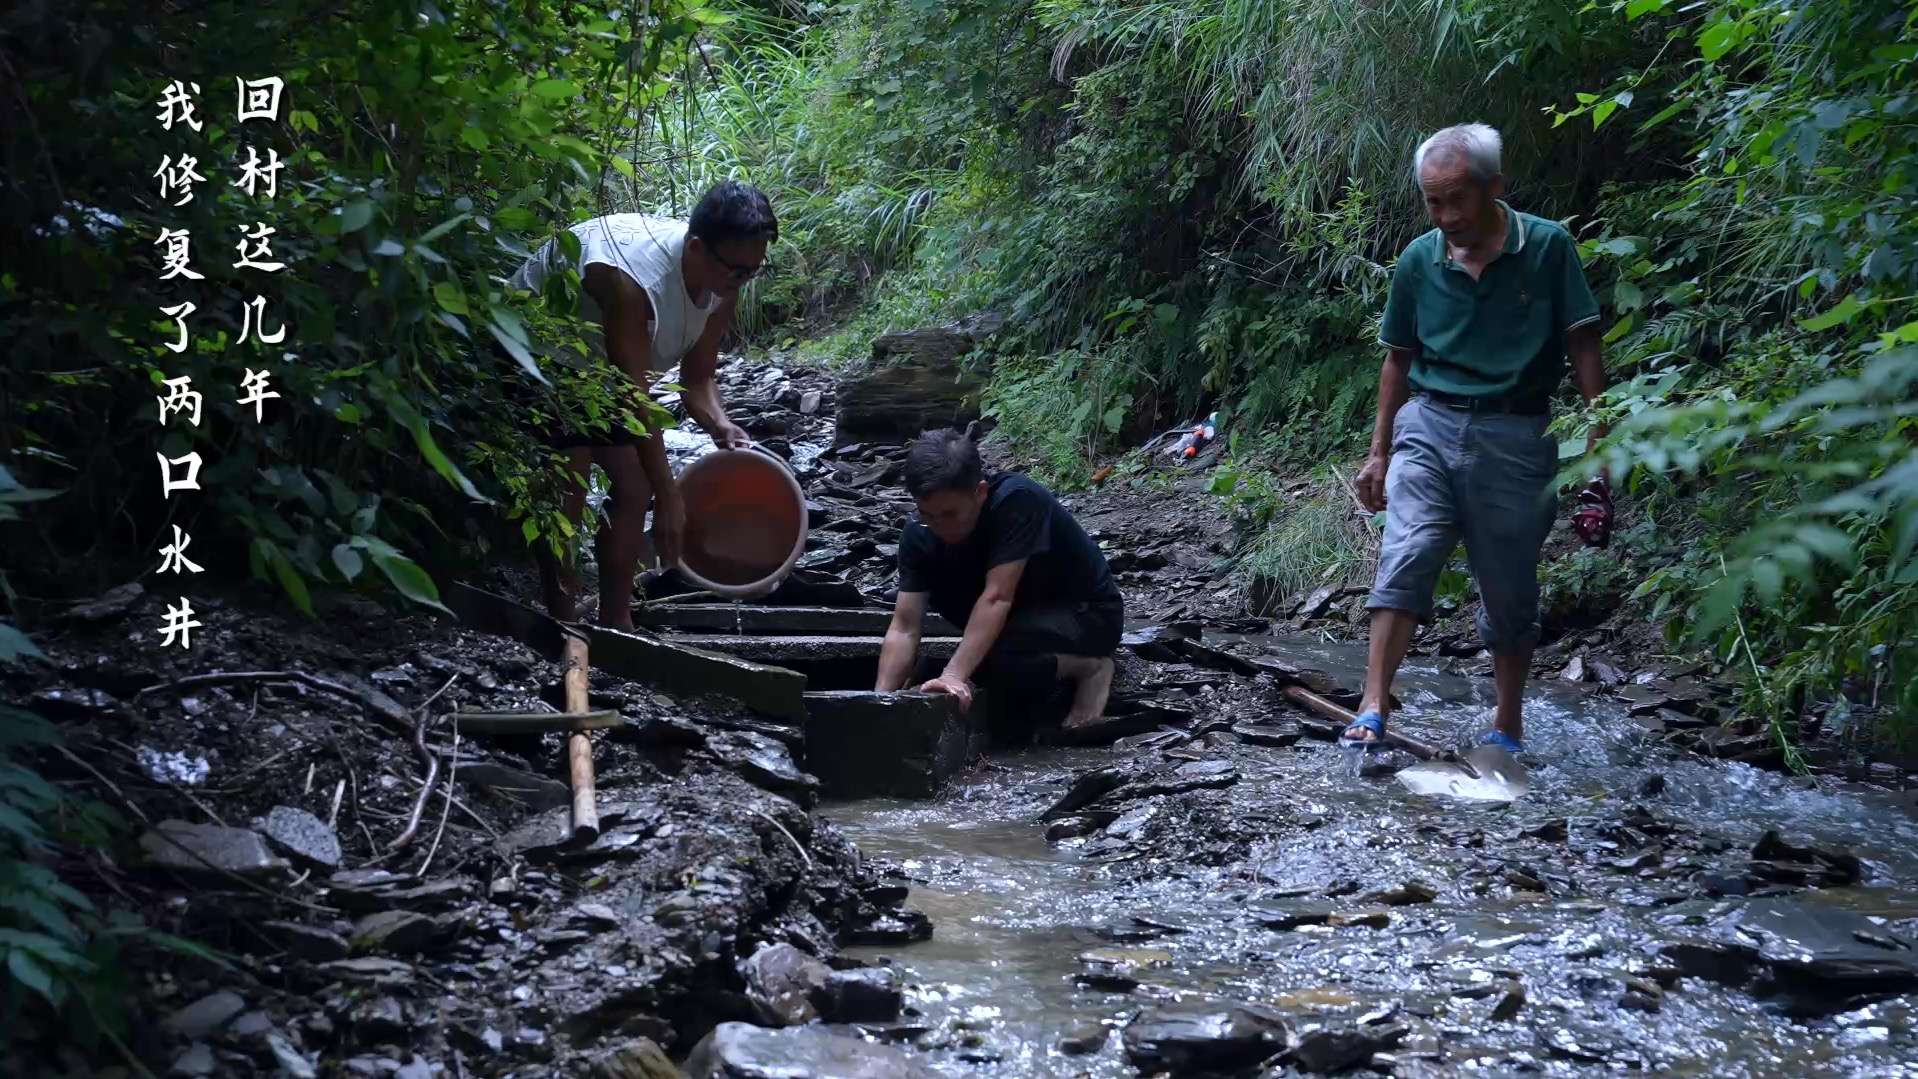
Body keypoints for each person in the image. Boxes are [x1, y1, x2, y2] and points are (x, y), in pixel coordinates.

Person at [1341, 122, 1612, 757]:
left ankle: (1507, 721)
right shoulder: (1419, 259)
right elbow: (1397, 358)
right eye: (1433, 201)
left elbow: (1582, 345)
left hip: (1517, 431)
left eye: (1457, 198)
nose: (1446, 215)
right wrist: (1378, 452)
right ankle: (1373, 700)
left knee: (1509, 580)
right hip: (1429, 424)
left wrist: (1601, 444)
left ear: (1495, 186)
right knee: (1407, 551)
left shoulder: (1546, 248)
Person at [506, 181, 774, 630]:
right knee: (569, 484)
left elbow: (697, 377)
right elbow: (632, 395)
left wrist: (722, 426)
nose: (742, 281)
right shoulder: (632, 284)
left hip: (600, 367)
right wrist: (670, 495)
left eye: (753, 271)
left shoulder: (728, 278)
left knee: (633, 488)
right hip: (540, 349)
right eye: (736, 271)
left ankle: (616, 622)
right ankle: (563, 624)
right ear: (695, 248)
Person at [875, 429, 1124, 730]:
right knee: (971, 663)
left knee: (991, 663)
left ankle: (1092, 668)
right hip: (1019, 621)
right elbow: (904, 627)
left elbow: (997, 597)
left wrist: (954, 674)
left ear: (979, 492)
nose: (938, 525)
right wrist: (879, 703)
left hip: (1087, 615)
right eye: (927, 514)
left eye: (949, 514)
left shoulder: (1016, 501)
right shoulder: (920, 531)